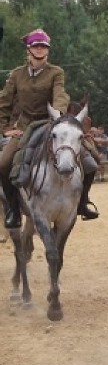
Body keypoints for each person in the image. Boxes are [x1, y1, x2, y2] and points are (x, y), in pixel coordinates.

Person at [0, 29, 99, 228]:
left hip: (51, 122)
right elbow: (4, 103)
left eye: (43, 46)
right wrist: (5, 129)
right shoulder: (17, 75)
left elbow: (60, 94)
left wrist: (58, 114)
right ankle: (13, 210)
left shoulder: (56, 72)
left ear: (47, 51)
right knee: (4, 163)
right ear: (29, 49)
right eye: (36, 46)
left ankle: (82, 202)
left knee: (92, 161)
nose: (40, 49)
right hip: (25, 127)